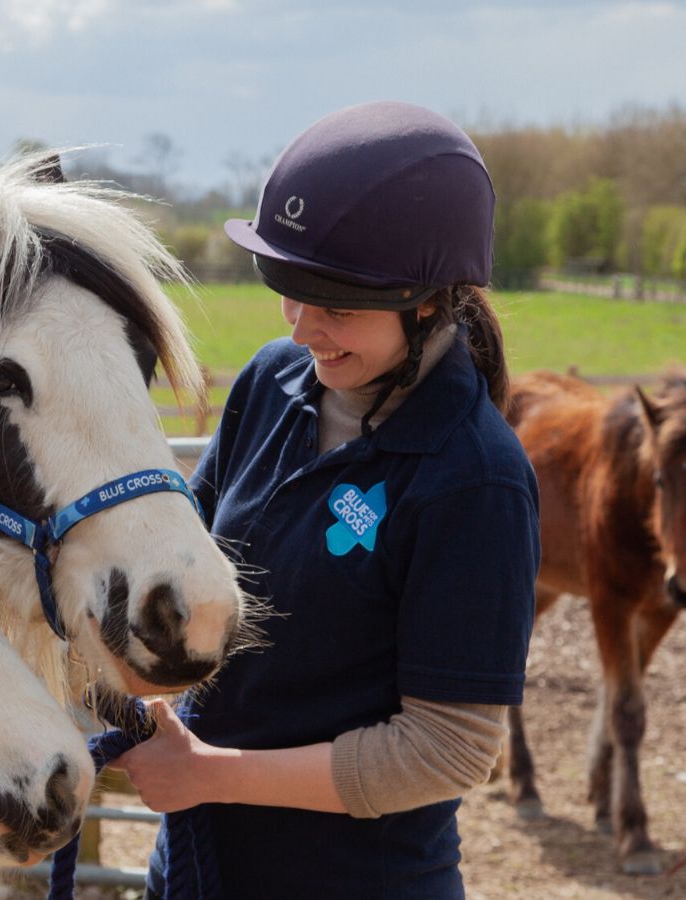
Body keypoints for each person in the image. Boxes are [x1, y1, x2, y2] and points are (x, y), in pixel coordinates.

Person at [108, 101, 540, 899]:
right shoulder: (273, 383)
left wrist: (210, 774)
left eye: (337, 307)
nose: (305, 329)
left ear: (430, 300)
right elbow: (185, 572)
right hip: (199, 867)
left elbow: (446, 748)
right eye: (291, 293)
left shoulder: (475, 478)